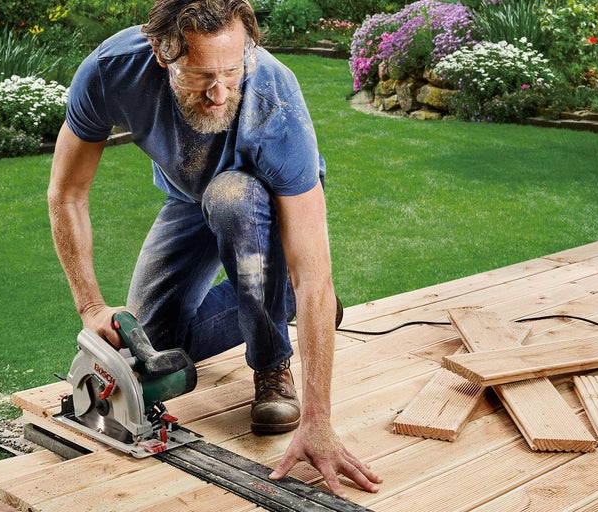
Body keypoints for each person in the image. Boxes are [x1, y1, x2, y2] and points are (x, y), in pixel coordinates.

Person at [47, 0, 382, 497]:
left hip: (257, 196)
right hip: (187, 196)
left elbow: (313, 275)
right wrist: (91, 306)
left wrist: (319, 419)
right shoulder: (112, 69)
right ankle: (277, 301)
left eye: (232, 70)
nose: (220, 92)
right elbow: (67, 193)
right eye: (200, 75)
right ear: (163, 54)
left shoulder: (276, 98)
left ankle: (270, 362)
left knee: (233, 199)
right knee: (151, 352)